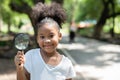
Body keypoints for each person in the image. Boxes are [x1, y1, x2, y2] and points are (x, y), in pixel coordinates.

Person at [14, 2, 76, 80]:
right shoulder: (30, 56)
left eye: (51, 36)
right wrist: (19, 68)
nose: (47, 40)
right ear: (37, 39)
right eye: (42, 37)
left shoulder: (66, 64)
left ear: (59, 36)